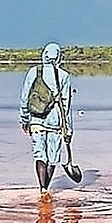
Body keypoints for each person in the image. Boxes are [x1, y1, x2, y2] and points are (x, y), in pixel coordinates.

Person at [20, 42, 74, 194]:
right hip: (55, 122)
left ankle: (42, 189)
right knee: (52, 157)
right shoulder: (64, 76)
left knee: (39, 154)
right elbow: (66, 105)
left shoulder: (33, 72)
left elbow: (25, 98)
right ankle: (46, 189)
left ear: (44, 55)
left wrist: (24, 119)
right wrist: (68, 130)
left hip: (36, 119)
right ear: (58, 57)